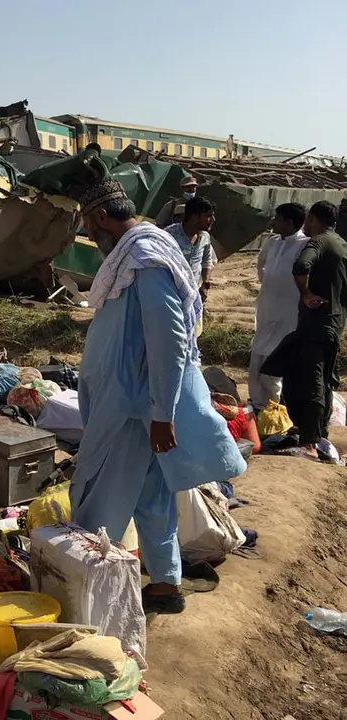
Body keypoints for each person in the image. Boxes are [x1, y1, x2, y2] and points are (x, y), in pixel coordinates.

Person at [69, 178, 245, 615]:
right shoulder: (141, 253)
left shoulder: (145, 259)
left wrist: (162, 414)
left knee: (96, 502)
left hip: (132, 409)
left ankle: (88, 598)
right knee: (153, 497)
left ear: (103, 217)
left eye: (89, 224)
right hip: (137, 407)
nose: (89, 233)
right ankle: (165, 585)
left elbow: (169, 339)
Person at [273, 201, 347, 460]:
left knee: (310, 381)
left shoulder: (318, 242)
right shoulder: (341, 244)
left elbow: (302, 266)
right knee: (324, 382)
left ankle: (308, 445)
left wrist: (305, 294)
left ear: (313, 218)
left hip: (315, 325)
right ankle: (319, 436)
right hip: (334, 324)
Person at [249, 203, 308, 409]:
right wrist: (269, 282)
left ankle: (274, 408)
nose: (273, 222)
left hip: (288, 313)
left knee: (275, 364)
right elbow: (261, 263)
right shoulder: (273, 242)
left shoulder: (305, 245)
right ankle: (258, 405)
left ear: (290, 223)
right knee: (257, 359)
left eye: (278, 219)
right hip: (267, 309)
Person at [165, 196, 217, 334]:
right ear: (194, 217)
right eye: (208, 216)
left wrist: (205, 284)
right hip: (172, 296)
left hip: (195, 295)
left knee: (193, 334)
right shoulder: (169, 236)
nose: (213, 220)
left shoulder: (205, 237)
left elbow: (207, 261)